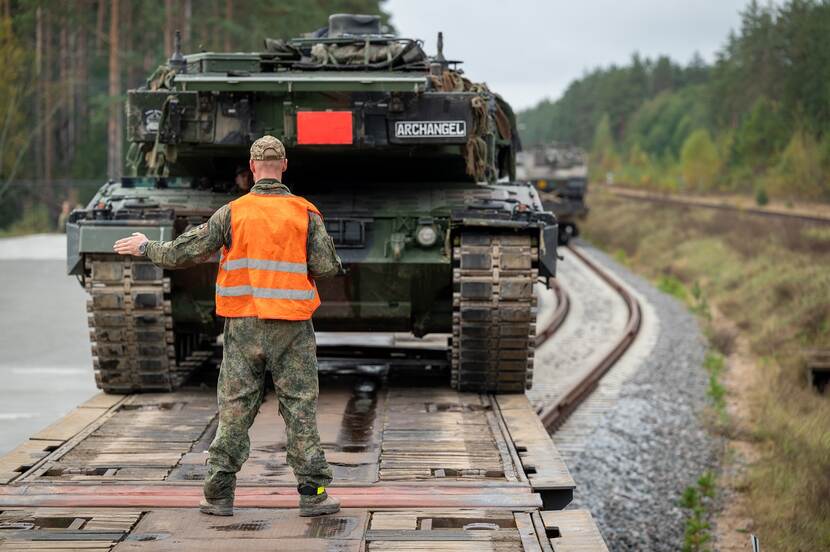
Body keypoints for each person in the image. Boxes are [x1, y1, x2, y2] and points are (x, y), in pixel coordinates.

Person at [112, 136, 342, 518]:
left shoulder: (232, 213)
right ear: (284, 165)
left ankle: (218, 494)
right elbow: (326, 267)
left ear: (252, 167)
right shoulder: (305, 213)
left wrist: (145, 246)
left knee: (235, 408)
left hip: (243, 323)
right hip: (291, 325)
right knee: (300, 408)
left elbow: (183, 252)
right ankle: (313, 494)